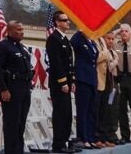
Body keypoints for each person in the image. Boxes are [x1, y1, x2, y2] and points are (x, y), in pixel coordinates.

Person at [0, 20, 33, 154]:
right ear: (9, 31)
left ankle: (18, 151)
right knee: (11, 123)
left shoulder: (22, 47)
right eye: (18, 30)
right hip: (11, 88)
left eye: (22, 29)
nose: (22, 32)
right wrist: (3, 89)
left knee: (21, 123)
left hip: (24, 88)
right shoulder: (2, 47)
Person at [46, 10, 76, 153]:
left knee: (67, 113)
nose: (68, 22)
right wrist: (63, 82)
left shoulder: (64, 39)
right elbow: (56, 63)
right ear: (58, 22)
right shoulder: (54, 39)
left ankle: (65, 140)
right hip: (59, 84)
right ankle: (58, 144)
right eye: (65, 20)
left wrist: (72, 80)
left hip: (67, 83)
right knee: (60, 113)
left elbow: (70, 63)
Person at [71, 28, 99, 150]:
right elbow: (73, 42)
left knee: (91, 111)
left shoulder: (92, 41)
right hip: (82, 79)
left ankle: (91, 137)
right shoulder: (79, 39)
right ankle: (83, 138)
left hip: (92, 80)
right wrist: (80, 29)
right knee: (83, 110)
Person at [94, 31, 119, 148]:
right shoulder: (100, 48)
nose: (111, 41)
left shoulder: (114, 53)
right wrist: (113, 61)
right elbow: (102, 62)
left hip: (111, 85)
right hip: (101, 82)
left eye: (113, 39)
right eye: (109, 38)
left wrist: (114, 60)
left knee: (108, 111)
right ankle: (97, 137)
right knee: (99, 111)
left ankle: (105, 137)